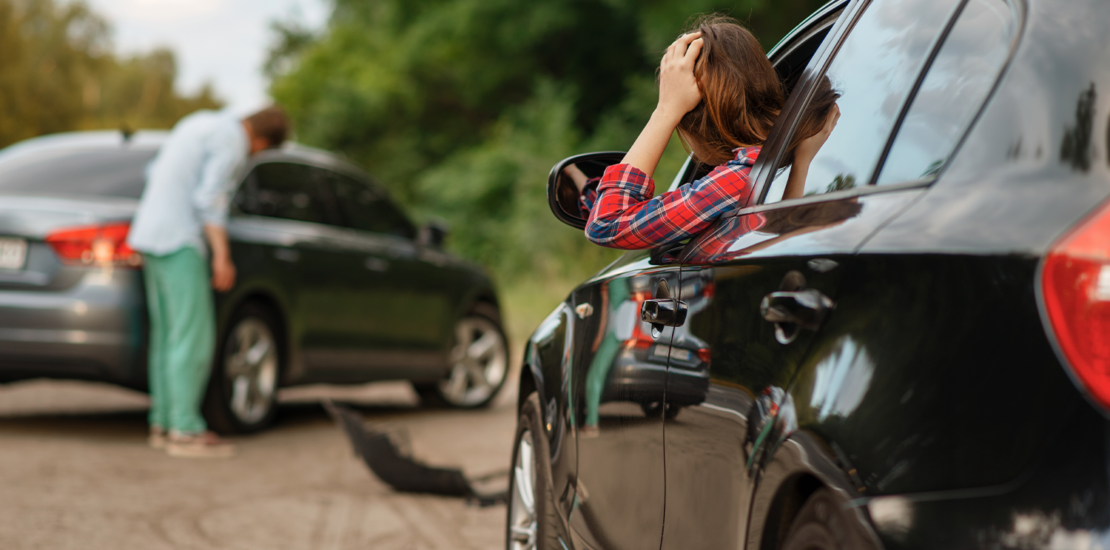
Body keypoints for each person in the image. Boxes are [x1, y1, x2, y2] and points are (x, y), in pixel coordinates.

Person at [576, 15, 840, 250]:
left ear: (693, 124)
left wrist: (666, 111)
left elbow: (606, 224)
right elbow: (783, 239)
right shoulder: (772, 167)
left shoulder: (739, 179)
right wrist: (802, 164)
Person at [127, 106, 289, 458]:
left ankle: (164, 422)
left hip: (149, 235)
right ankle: (185, 429)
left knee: (168, 336)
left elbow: (153, 171)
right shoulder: (232, 141)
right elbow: (209, 199)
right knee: (193, 338)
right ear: (261, 141)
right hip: (180, 240)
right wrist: (221, 255)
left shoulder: (198, 122)